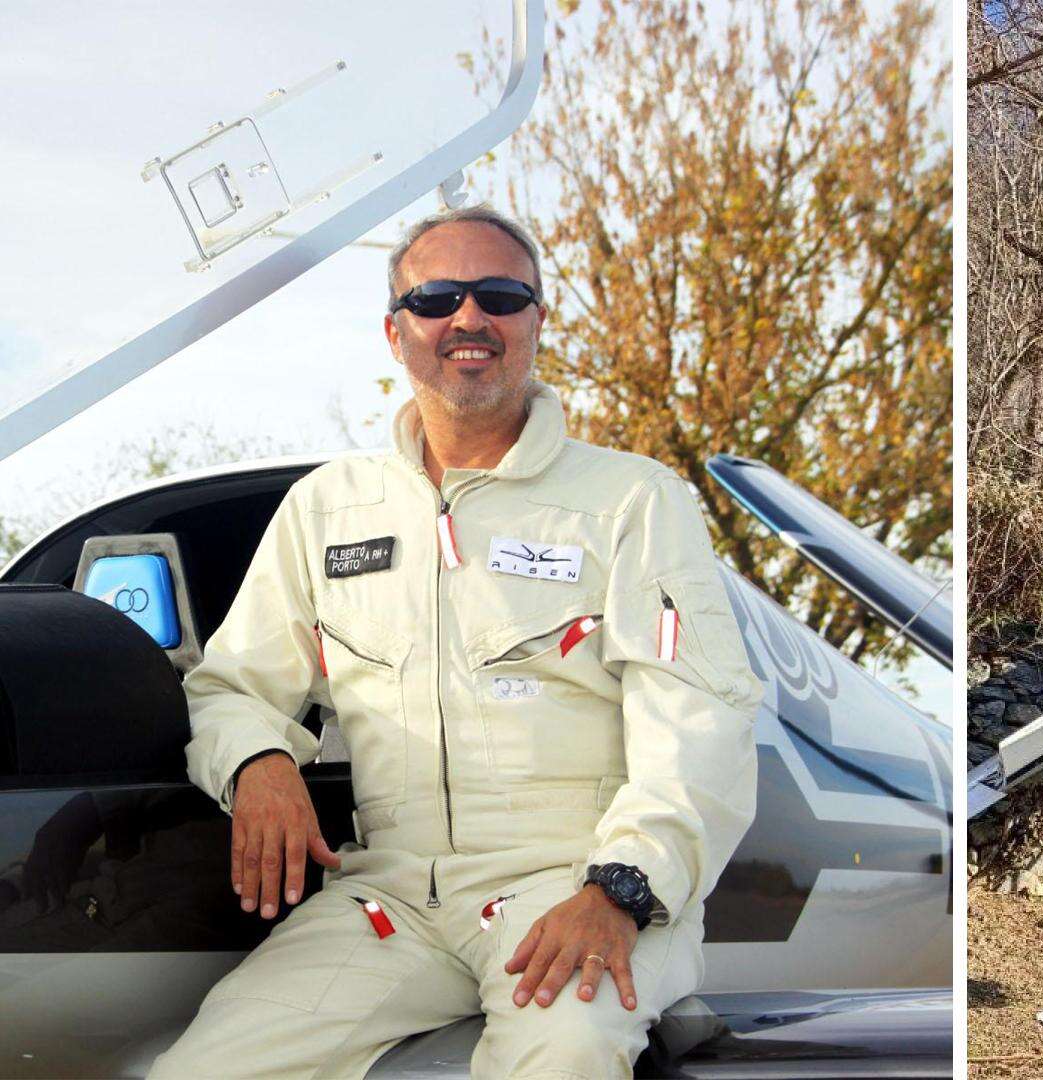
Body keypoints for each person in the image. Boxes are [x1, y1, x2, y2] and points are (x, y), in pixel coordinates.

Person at [150, 205, 763, 1079]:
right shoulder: (327, 508)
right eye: (437, 297)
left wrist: (624, 889)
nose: (469, 319)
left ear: (537, 321)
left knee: (564, 1057)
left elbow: (700, 721)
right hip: (386, 901)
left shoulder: (631, 500)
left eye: (501, 295)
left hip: (570, 885)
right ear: (395, 332)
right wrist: (258, 763)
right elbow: (230, 688)